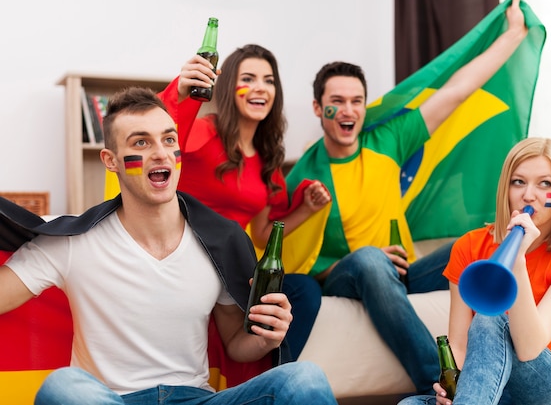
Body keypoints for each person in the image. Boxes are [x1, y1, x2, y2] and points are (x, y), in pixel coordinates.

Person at [0, 87, 337, 405]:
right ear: (110, 160)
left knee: (305, 378)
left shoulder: (219, 241)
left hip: (196, 397)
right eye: (141, 142)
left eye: (168, 139)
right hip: (110, 399)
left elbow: (236, 343)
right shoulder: (72, 242)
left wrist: (267, 337)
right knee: (64, 387)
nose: (160, 152)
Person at [285, 0, 529, 395]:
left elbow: (455, 92)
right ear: (317, 108)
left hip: (400, 276)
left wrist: (513, 36)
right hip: (349, 276)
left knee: (480, 243)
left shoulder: (387, 140)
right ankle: (444, 384)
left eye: (356, 101)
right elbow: (300, 263)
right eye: (336, 102)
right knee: (367, 259)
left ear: (365, 106)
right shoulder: (305, 178)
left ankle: (509, 373)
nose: (348, 111)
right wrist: (362, 260)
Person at [158, 44, 331, 361]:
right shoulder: (202, 132)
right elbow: (149, 133)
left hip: (234, 267)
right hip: (188, 257)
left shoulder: (268, 160)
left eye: (268, 80)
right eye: (248, 78)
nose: (260, 88)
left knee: (303, 290)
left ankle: (278, 377)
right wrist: (180, 89)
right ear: (228, 87)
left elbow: (263, 233)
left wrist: (306, 209)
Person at [399, 137, 551, 405]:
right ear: (506, 189)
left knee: (490, 318)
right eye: (518, 182)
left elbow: (529, 348)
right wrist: (452, 388)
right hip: (499, 391)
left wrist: (517, 260)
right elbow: (458, 344)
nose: (528, 195)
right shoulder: (468, 247)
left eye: (545, 184)